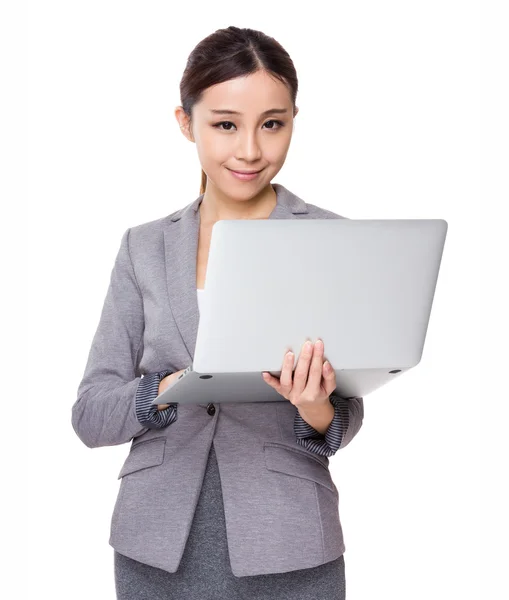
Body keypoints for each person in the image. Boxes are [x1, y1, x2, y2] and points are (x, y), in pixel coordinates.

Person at [72, 25, 364, 600]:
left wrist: (316, 407)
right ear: (186, 123)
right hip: (156, 542)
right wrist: (169, 387)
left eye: (272, 124)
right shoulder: (144, 247)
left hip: (290, 539)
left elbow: (347, 412)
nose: (251, 149)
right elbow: (90, 413)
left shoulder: (332, 240)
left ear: (292, 122)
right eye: (226, 124)